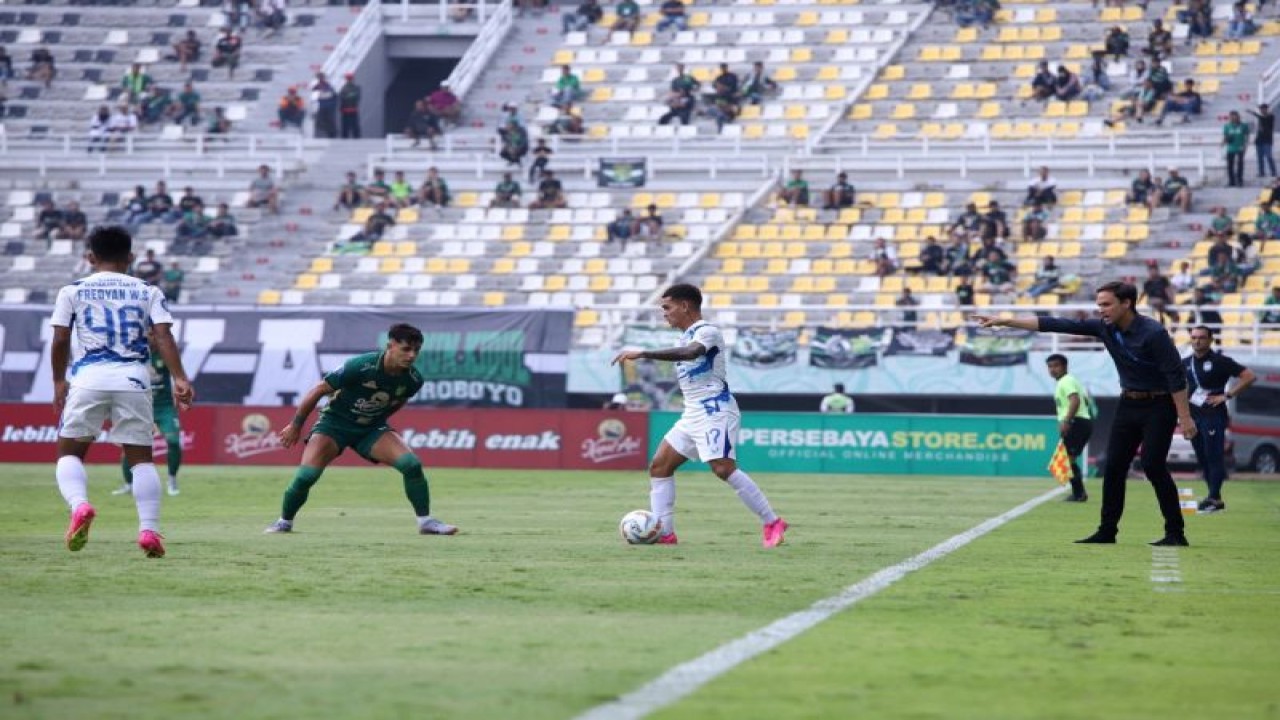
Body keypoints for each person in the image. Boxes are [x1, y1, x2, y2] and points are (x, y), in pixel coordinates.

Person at [975, 281, 1196, 546]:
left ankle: (1175, 533)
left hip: (1161, 406)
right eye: (1099, 305)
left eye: (1106, 304)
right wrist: (1006, 321)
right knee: (1113, 467)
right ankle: (1107, 531)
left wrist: (1184, 416)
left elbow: (1176, 376)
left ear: (1126, 303)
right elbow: (1055, 323)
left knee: (1152, 465)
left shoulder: (1154, 333)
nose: (1100, 310)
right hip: (1128, 403)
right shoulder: (1104, 328)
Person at [50, 226, 195, 558]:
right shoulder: (148, 290)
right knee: (141, 460)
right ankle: (148, 531)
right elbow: (162, 337)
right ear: (131, 258)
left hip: (88, 378)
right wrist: (180, 378)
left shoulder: (72, 291)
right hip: (134, 379)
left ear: (90, 257)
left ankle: (80, 505)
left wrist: (59, 381)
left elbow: (59, 340)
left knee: (69, 454)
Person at [610, 284, 788, 547]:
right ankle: (665, 533)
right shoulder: (683, 337)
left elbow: (693, 353)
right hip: (693, 412)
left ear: (685, 306)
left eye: (667, 307)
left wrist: (645, 353)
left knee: (722, 468)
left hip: (715, 409)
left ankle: (772, 522)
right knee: (660, 466)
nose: (664, 313)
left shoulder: (707, 332)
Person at [263, 324, 458, 536]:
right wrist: (296, 425)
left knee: (411, 465)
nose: (411, 356)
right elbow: (319, 389)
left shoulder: (413, 379)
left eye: (416, 351)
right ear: (389, 346)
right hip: (334, 425)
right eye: (406, 349)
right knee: (306, 477)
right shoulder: (361, 366)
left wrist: (380, 421)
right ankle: (284, 522)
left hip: (370, 428)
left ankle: (426, 522)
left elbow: (399, 400)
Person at [1184, 326, 1256, 514]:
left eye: (1201, 337)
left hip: (1213, 416)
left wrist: (1226, 395)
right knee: (1202, 457)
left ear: (1210, 340)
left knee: (1213, 455)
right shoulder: (1184, 363)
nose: (1197, 341)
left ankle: (1214, 498)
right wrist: (1183, 417)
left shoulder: (1220, 361)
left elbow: (1249, 377)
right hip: (1193, 417)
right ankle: (1213, 496)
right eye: (1193, 337)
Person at [114, 334, 184, 497]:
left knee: (173, 441)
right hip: (141, 406)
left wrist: (180, 394)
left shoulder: (165, 353)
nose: (150, 337)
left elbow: (178, 376)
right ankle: (129, 484)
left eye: (153, 334)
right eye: (147, 334)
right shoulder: (134, 355)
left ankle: (172, 479)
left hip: (165, 407)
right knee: (130, 445)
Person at [1046, 354, 1095, 502]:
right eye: (1050, 366)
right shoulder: (1068, 381)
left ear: (1065, 366)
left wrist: (1067, 420)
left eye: (1056, 366)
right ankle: (1079, 493)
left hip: (1077, 422)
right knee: (1067, 460)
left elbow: (1075, 400)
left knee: (1066, 460)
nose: (1053, 369)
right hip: (1080, 422)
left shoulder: (1066, 381)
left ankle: (1079, 494)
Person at [1248, 103, 1275, 179]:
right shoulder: (1261, 118)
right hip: (1259, 140)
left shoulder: (1270, 117)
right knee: (1260, 157)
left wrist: (1253, 113)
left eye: (1264, 109)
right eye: (1261, 109)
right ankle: (1261, 172)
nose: (1262, 110)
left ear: (1266, 109)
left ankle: (1273, 171)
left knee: (1268, 156)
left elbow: (1263, 118)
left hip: (1267, 140)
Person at [1223, 110, 1249, 188]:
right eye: (1231, 116)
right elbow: (1225, 136)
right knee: (1230, 165)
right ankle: (1231, 181)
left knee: (1240, 164)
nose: (1233, 118)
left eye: (1235, 116)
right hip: (1230, 148)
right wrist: (1225, 141)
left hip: (1240, 147)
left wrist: (1245, 145)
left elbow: (1247, 136)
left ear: (1238, 116)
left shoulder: (1243, 125)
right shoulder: (1227, 126)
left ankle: (1240, 180)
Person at [339, 73, 362, 139]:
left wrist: (347, 96)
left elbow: (344, 98)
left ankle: (348, 138)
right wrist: (350, 96)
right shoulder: (356, 88)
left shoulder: (344, 88)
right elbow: (355, 97)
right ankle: (355, 137)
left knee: (348, 126)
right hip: (350, 109)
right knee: (352, 126)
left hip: (348, 110)